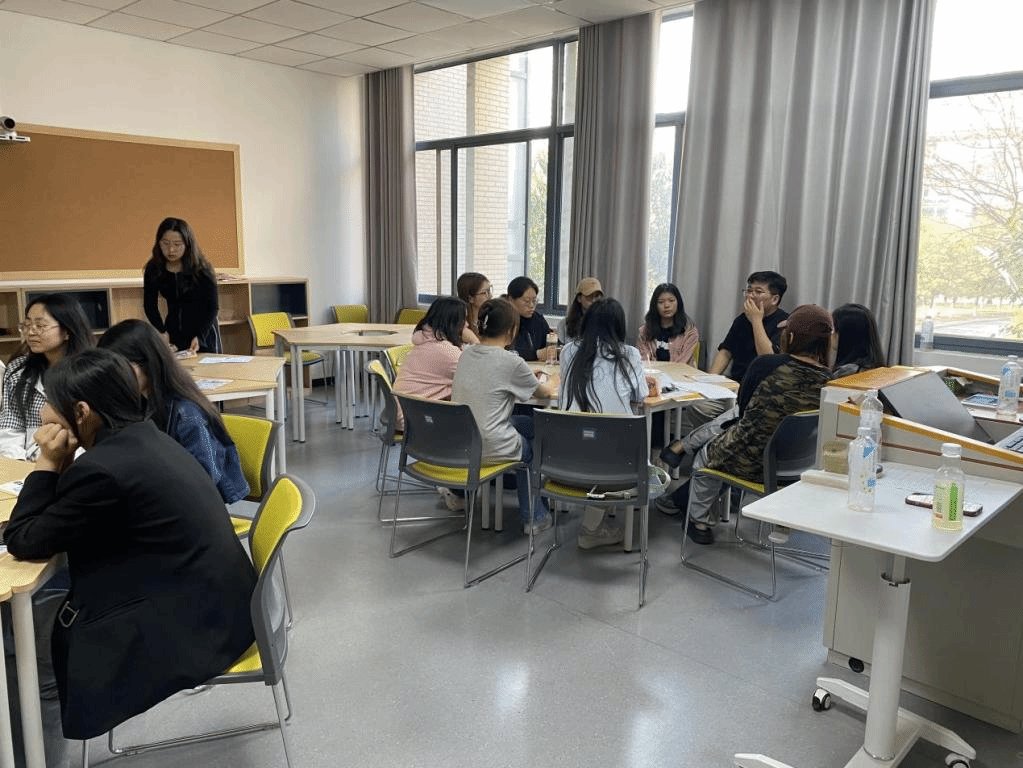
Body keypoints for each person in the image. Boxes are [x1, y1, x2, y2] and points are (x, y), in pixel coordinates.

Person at [3, 348, 257, 742]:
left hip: (190, 627)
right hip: (218, 605)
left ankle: (36, 757)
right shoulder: (144, 436)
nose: (42, 415)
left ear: (81, 412)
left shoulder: (103, 469)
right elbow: (60, 518)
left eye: (48, 404)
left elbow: (24, 541)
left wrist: (48, 463)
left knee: (21, 643)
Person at [656, 305, 833, 544]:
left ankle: (699, 522)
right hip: (794, 467)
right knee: (731, 424)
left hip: (749, 460)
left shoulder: (767, 365)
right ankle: (681, 449)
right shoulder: (830, 381)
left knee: (706, 455)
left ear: (790, 337)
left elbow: (743, 408)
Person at [97, 319, 248, 504]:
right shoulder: (142, 400)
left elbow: (205, 478)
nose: (114, 380)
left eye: (119, 370)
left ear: (147, 363)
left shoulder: (187, 412)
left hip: (194, 507)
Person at [452, 298, 556, 534]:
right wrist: (554, 379)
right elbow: (545, 392)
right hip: (489, 443)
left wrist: (525, 374)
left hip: (462, 440)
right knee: (533, 446)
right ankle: (534, 517)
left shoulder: (466, 354)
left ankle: (534, 506)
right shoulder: (511, 361)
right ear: (512, 330)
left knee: (531, 425)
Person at [559, 298, 647, 549]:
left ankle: (594, 522)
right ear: (619, 326)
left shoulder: (568, 351)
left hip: (564, 459)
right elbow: (640, 396)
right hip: (616, 466)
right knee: (608, 443)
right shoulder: (629, 354)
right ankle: (591, 530)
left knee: (594, 439)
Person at [392, 297, 468, 512]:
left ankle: (457, 485)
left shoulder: (426, 341)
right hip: (416, 421)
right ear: (454, 322)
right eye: (464, 320)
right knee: (473, 428)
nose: (467, 325)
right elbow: (477, 376)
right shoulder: (446, 351)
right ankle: (457, 489)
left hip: (407, 412)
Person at [0, 294, 94, 461]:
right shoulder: (19, 370)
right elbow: (10, 427)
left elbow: (94, 432)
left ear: (67, 331)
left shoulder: (90, 371)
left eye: (40, 326)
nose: (31, 332)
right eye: (27, 325)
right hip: (26, 462)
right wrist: (19, 463)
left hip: (77, 461)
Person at [143, 217, 220, 354]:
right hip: (172, 332)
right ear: (158, 243)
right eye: (165, 243)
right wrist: (161, 330)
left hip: (203, 332)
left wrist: (200, 336)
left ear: (187, 244)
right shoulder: (154, 268)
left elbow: (212, 307)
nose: (171, 250)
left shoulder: (202, 269)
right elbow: (150, 305)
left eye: (177, 244)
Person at [708, 270, 789, 382]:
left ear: (775, 299)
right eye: (749, 291)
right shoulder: (742, 319)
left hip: (764, 386)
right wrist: (710, 379)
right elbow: (726, 351)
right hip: (736, 382)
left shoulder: (785, 323)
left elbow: (768, 360)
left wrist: (756, 320)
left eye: (758, 292)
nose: (750, 296)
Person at [637, 283, 701, 365]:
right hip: (652, 372)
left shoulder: (689, 332)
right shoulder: (645, 331)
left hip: (680, 372)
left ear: (678, 303)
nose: (666, 305)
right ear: (654, 305)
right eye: (661, 302)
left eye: (671, 301)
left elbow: (682, 362)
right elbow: (644, 361)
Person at [831, 303, 887, 377]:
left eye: (833, 329)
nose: (831, 334)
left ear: (846, 335)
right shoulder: (881, 372)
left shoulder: (842, 375)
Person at [507, 276, 553, 362]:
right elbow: (505, 352)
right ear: (511, 300)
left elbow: (552, 341)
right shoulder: (503, 321)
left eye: (534, 301)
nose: (531, 306)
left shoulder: (538, 320)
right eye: (526, 301)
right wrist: (536, 354)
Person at [557, 277, 604, 343]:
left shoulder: (605, 323)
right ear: (579, 298)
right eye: (589, 296)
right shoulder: (564, 324)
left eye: (596, 296)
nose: (593, 300)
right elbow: (559, 348)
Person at [456, 272, 491, 344]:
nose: (489, 296)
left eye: (489, 291)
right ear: (470, 298)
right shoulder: (461, 325)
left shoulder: (490, 317)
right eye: (484, 293)